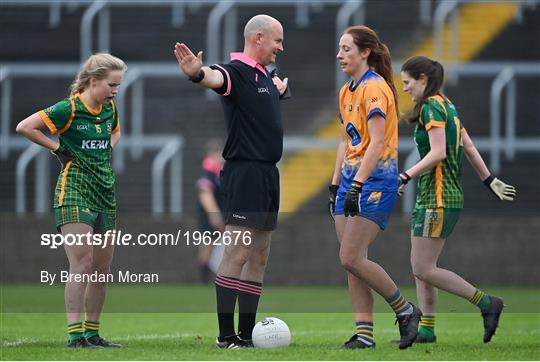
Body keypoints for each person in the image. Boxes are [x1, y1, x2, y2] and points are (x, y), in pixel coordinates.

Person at [174, 14, 289, 349]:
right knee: (237, 252)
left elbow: (274, 90)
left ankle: (247, 335)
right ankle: (226, 337)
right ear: (258, 38)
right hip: (245, 172)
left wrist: (280, 87)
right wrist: (196, 72)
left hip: (268, 174)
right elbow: (212, 77)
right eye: (277, 40)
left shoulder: (265, 75)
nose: (281, 47)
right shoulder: (235, 71)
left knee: (260, 255)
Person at [398, 55, 516, 344]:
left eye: (407, 82)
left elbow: (438, 152)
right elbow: (468, 145)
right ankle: (426, 330)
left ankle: (487, 303)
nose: (404, 88)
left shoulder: (431, 107)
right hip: (436, 195)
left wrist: (405, 176)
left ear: (423, 79)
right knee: (421, 267)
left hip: (437, 197)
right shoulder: (447, 105)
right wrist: (489, 180)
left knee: (423, 268)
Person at [16, 53, 126, 348]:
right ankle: (75, 335)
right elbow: (25, 126)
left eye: (118, 86)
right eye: (111, 85)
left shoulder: (109, 108)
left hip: (104, 191)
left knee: (103, 268)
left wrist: (106, 151)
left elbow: (115, 132)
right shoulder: (69, 109)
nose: (115, 91)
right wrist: (57, 149)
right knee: (83, 263)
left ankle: (93, 333)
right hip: (74, 190)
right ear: (93, 81)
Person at [328, 25, 422, 350]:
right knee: (353, 262)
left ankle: (406, 310)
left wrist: (356, 185)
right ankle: (365, 335)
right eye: (340, 49)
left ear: (365, 52)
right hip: (350, 182)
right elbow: (346, 141)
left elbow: (378, 142)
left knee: (351, 257)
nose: (340, 55)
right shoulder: (346, 91)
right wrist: (335, 184)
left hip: (374, 182)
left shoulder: (375, 88)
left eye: (346, 49)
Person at [195, 139, 225, 282]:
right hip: (211, 216)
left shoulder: (219, 171)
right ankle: (205, 279)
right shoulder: (208, 171)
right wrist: (214, 214)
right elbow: (205, 194)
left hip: (220, 214)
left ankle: (215, 277)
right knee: (208, 244)